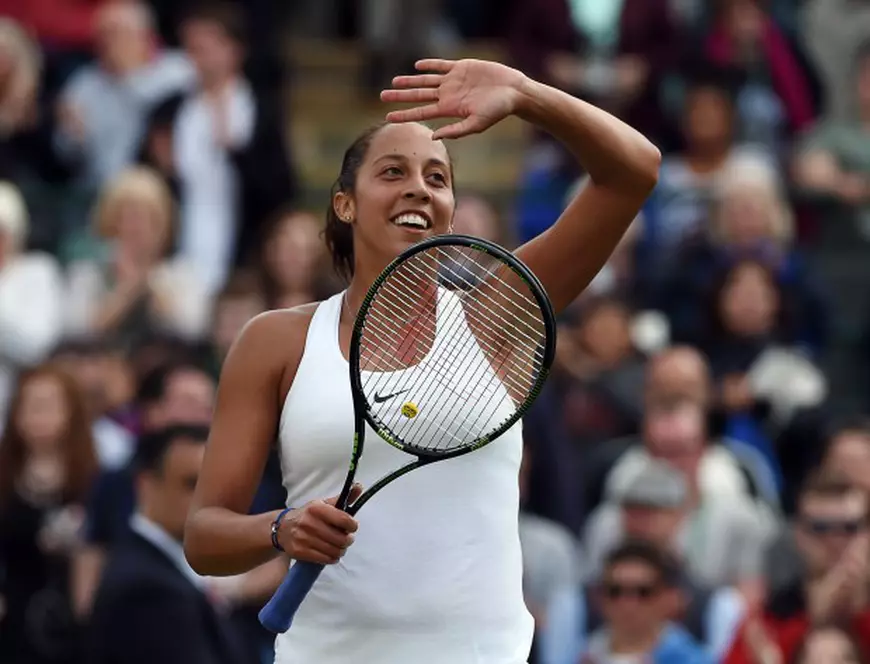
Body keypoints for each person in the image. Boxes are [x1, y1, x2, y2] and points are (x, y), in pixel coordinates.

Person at [183, 57, 660, 663]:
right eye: (392, 172)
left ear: (451, 211)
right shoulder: (274, 340)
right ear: (345, 205)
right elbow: (204, 538)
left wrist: (527, 94)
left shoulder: (500, 314)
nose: (418, 187)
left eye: (438, 178)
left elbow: (633, 172)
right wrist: (281, 528)